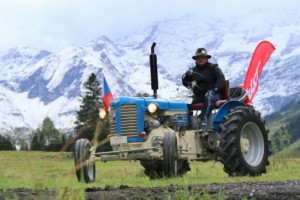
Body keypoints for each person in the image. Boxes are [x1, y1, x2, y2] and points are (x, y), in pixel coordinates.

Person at [182, 48, 225, 126]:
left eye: (203, 57)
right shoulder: (193, 71)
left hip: (214, 95)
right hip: (198, 96)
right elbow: (185, 83)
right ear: (195, 59)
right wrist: (187, 76)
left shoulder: (214, 67)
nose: (200, 59)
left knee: (209, 96)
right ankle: (186, 123)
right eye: (198, 57)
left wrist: (215, 89)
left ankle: (202, 120)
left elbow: (221, 79)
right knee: (185, 101)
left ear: (207, 58)